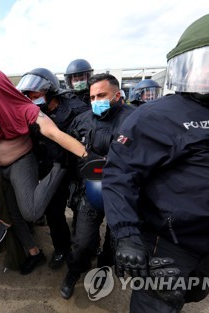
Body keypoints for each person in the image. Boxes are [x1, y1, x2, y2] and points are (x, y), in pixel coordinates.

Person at [102, 7, 209, 312]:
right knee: (159, 303)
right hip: (167, 245)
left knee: (194, 293)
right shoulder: (158, 117)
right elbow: (119, 174)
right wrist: (126, 236)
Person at [0, 68, 89, 274]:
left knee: (31, 212)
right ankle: (34, 252)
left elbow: (52, 132)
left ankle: (60, 168)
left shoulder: (22, 106)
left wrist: (88, 156)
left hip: (21, 163)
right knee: (13, 216)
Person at [59, 73, 136, 299]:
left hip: (121, 195)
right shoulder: (82, 120)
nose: (95, 101)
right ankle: (74, 271)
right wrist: (73, 185)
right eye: (92, 97)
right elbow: (69, 155)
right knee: (82, 242)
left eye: (101, 95)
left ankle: (106, 262)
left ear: (117, 95)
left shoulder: (135, 120)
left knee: (115, 241)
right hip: (89, 191)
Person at [17, 67, 89, 270]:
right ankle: (61, 248)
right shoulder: (31, 113)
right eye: (28, 96)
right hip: (51, 167)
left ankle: (84, 248)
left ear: (50, 92)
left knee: (80, 210)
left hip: (76, 167)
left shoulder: (76, 109)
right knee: (54, 212)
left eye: (35, 95)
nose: (31, 99)